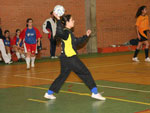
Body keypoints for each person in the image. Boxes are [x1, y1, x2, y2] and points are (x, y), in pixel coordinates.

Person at [44, 13, 106, 101]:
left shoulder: (69, 32)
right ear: (67, 22)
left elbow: (76, 42)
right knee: (85, 73)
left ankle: (49, 93)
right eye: (72, 20)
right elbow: (59, 33)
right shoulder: (65, 32)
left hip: (65, 59)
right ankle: (95, 93)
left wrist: (86, 36)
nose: (74, 21)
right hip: (70, 58)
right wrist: (58, 20)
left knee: (62, 76)